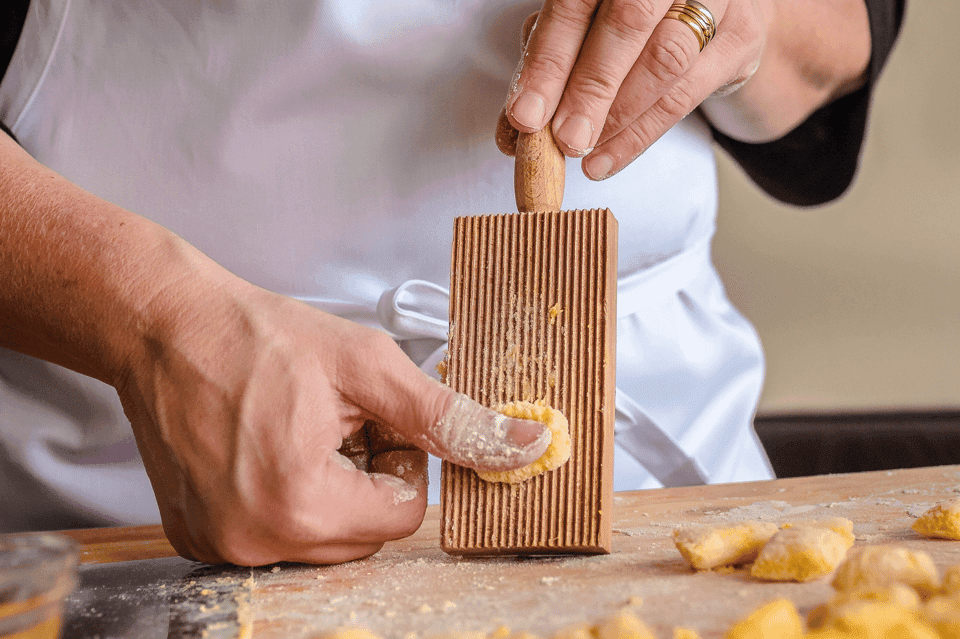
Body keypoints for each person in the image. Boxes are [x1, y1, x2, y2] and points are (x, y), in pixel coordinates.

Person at [0, 0, 904, 565]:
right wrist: (156, 317)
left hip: (665, 496)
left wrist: (755, 20)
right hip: (153, 486)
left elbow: (851, 24)